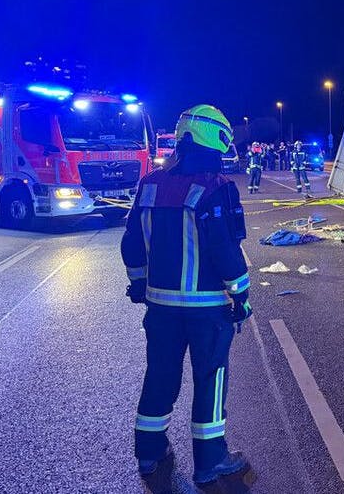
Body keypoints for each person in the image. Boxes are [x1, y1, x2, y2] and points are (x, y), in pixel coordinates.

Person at [121, 104, 252, 484]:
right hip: (207, 309)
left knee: (160, 376)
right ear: (215, 140)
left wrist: (139, 283)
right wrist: (241, 295)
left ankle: (149, 453)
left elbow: (131, 242)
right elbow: (225, 250)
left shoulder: (149, 185)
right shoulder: (216, 188)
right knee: (210, 380)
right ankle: (210, 461)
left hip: (160, 308)